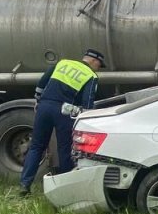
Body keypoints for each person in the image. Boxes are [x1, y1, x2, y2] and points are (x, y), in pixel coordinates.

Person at [18, 48, 105, 196]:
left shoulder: (62, 63)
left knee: (36, 147)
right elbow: (88, 103)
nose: (99, 68)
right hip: (64, 112)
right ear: (94, 61)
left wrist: (39, 101)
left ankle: (24, 185)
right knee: (65, 148)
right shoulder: (91, 75)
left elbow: (41, 83)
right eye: (99, 65)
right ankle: (65, 189)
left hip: (44, 107)